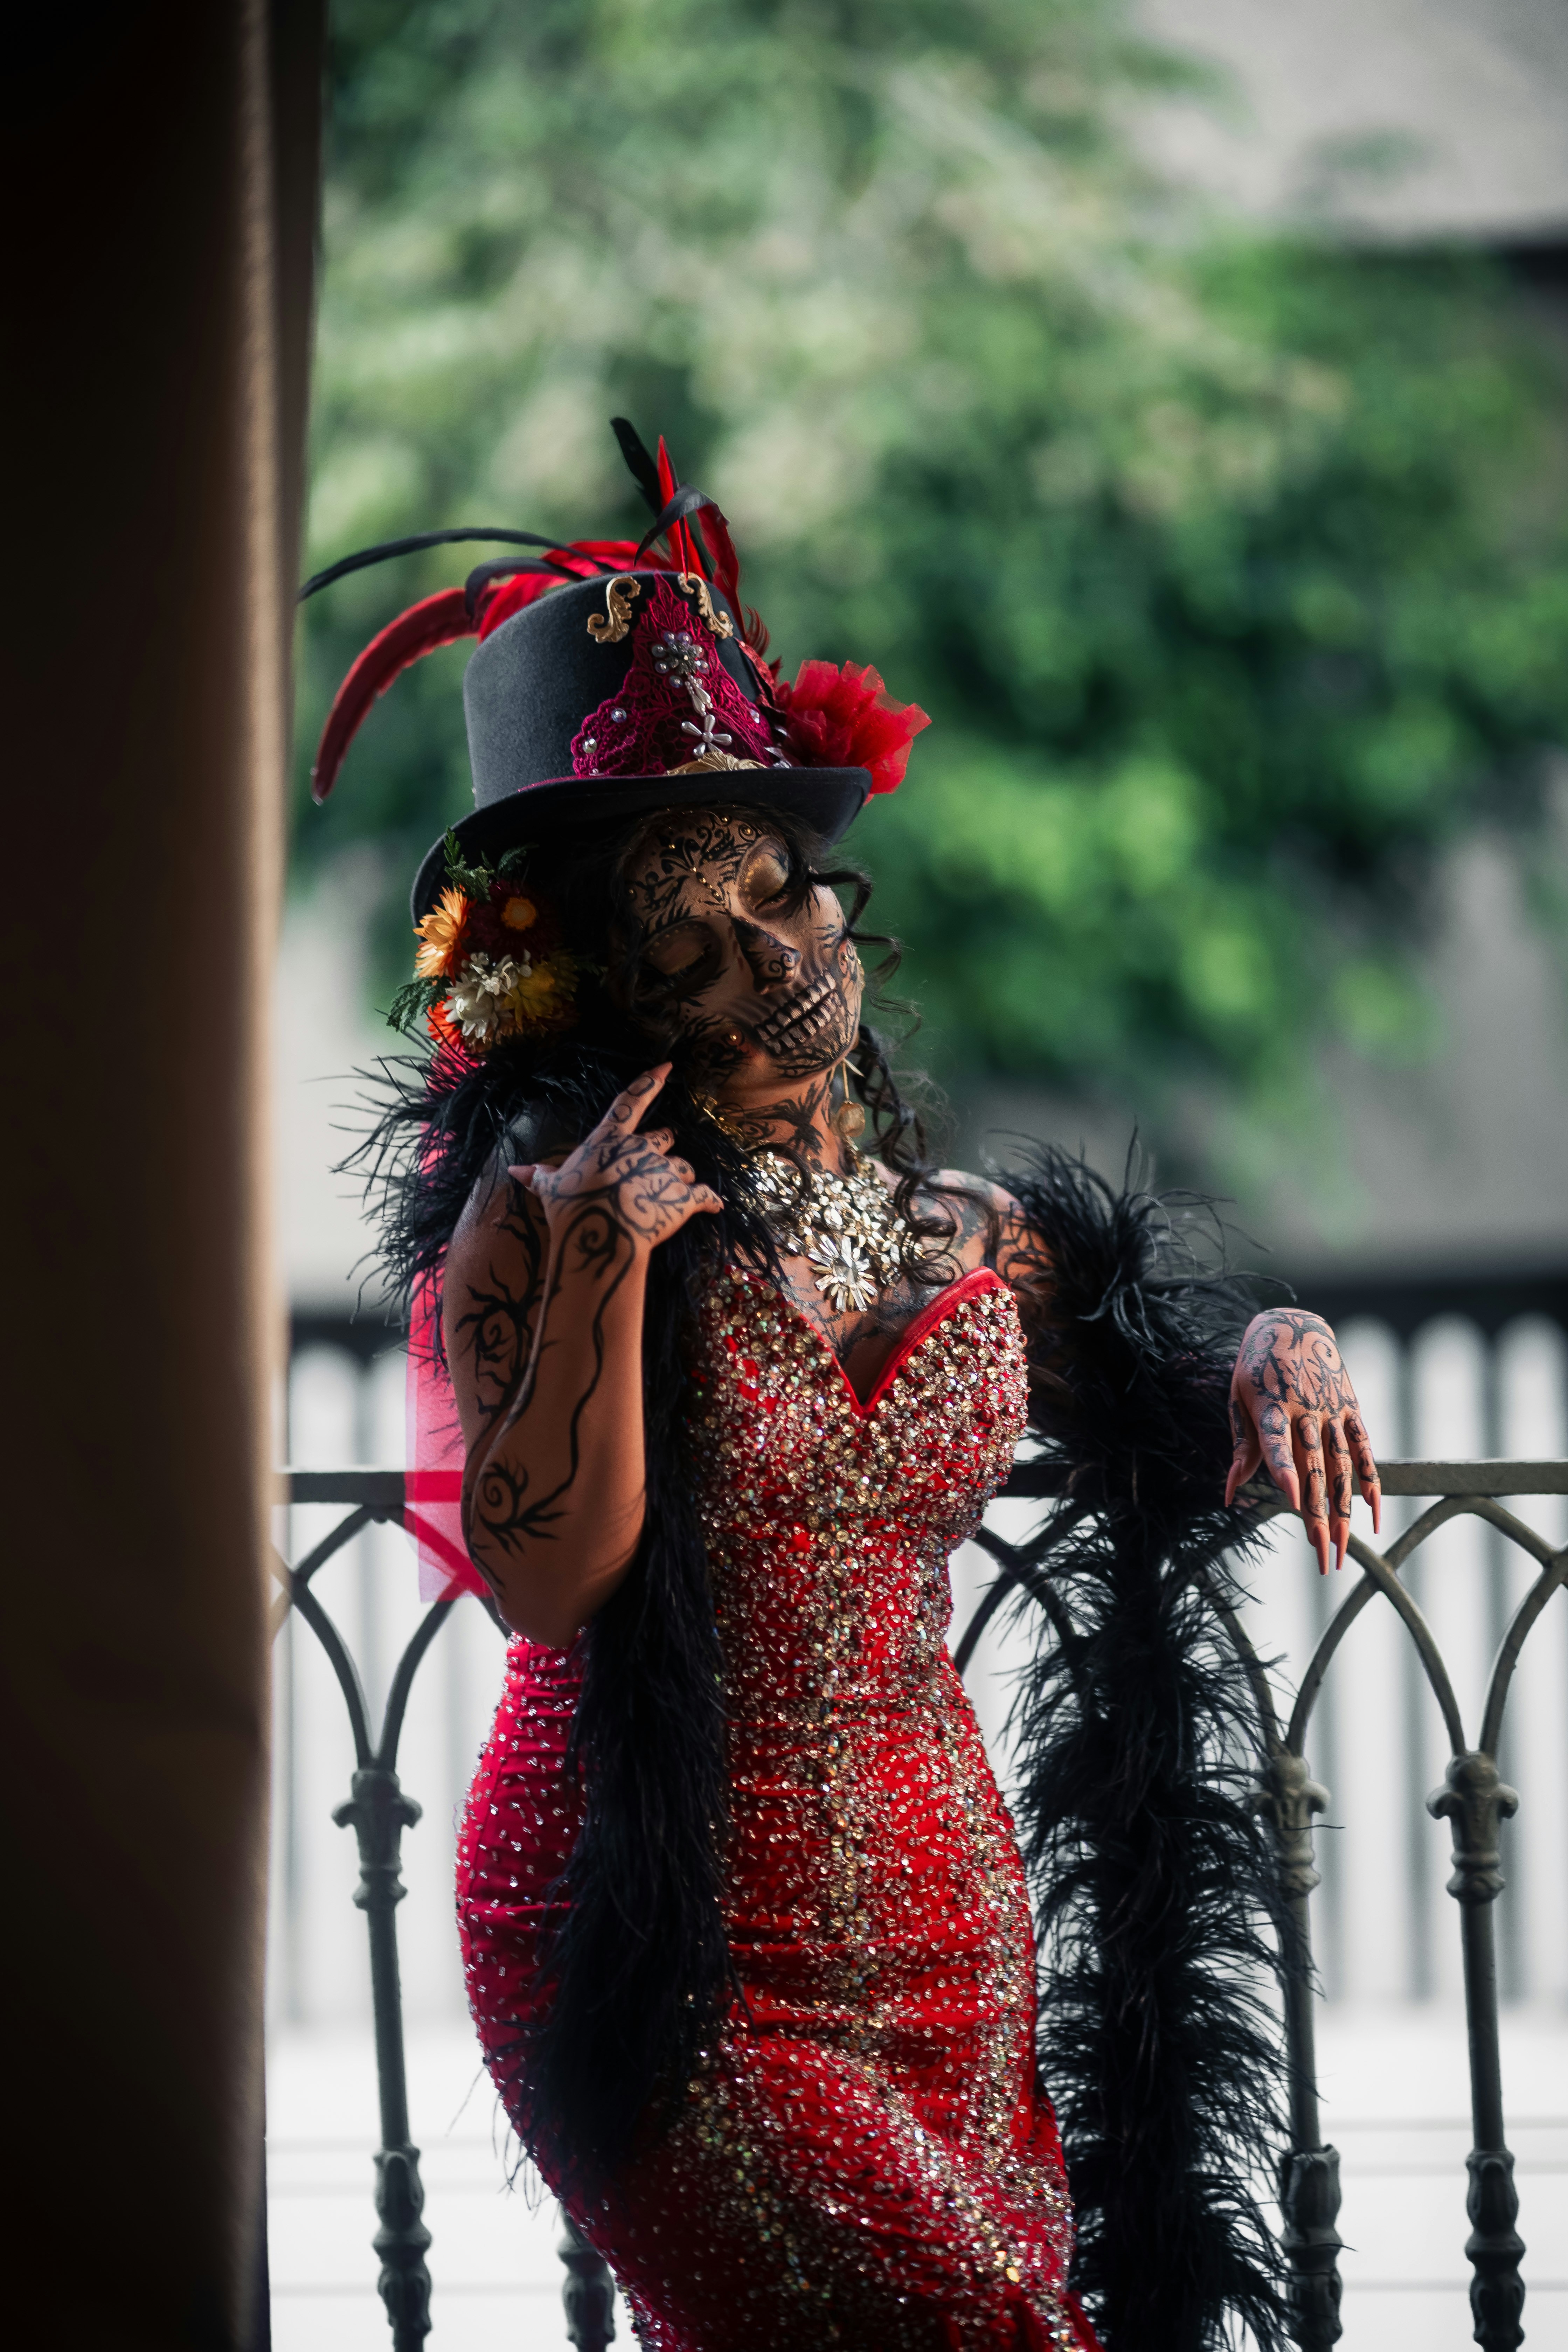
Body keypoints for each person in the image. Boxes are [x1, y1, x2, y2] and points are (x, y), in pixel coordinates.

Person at [310, 426, 1381, 2352]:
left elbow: (1158, 1414)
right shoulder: (538, 1218)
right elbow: (546, 1580)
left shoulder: (962, 1233)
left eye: (778, 894)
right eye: (689, 943)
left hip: (951, 1947)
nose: (768, 955)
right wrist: (598, 1271)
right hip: (660, 1940)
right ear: (615, 997)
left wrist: (1276, 1347)